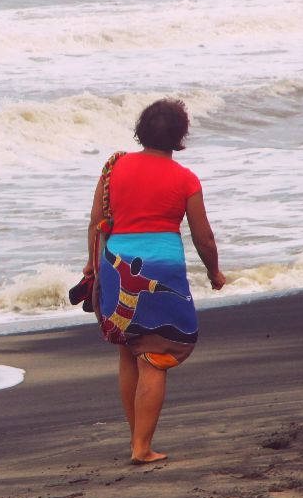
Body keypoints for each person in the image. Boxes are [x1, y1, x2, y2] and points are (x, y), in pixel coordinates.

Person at [83, 99, 225, 465]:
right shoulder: (185, 179)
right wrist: (214, 271)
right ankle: (141, 447)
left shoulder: (113, 169)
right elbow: (203, 237)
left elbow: (96, 222)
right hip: (162, 271)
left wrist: (91, 268)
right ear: (180, 138)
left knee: (128, 352)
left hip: (115, 267)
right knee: (155, 357)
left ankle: (138, 439)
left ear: (140, 130)